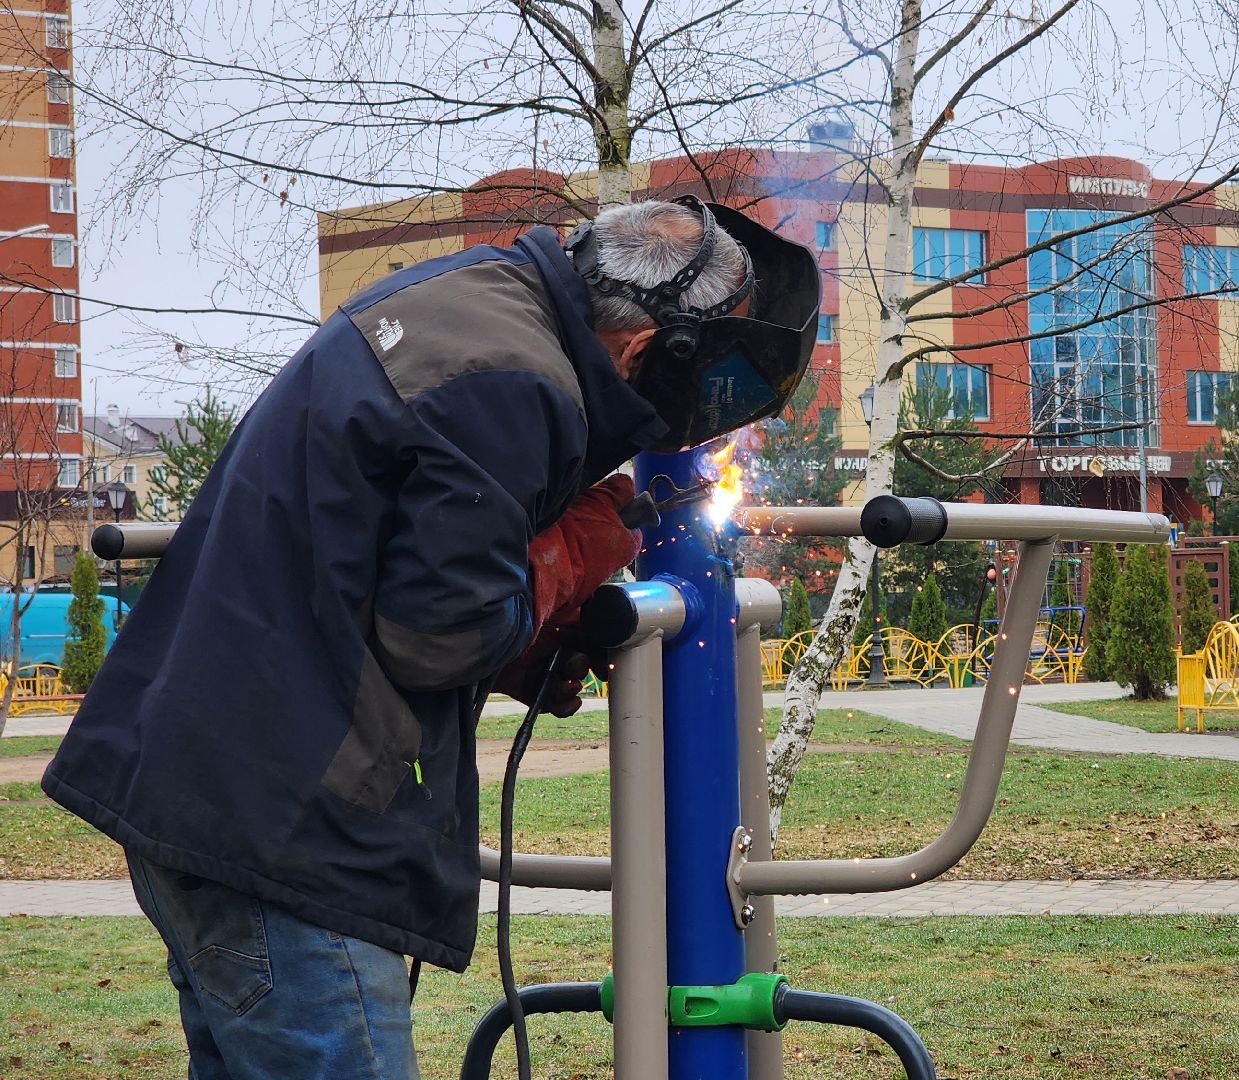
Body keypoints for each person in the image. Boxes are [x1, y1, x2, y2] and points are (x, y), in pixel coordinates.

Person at [41, 196, 818, 1078]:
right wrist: (572, 554)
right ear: (644, 349)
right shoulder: (515, 379)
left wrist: (520, 641)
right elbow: (438, 638)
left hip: (212, 786)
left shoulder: (477, 298)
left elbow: (376, 565)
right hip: (284, 830)